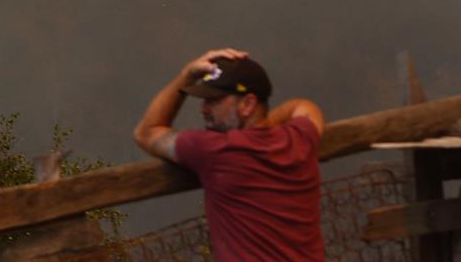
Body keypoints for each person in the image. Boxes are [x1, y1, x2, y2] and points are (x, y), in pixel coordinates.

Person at [133, 47, 326, 261]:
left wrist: (186, 75)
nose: (204, 109)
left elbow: (146, 132)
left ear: (248, 104)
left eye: (214, 100)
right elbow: (303, 105)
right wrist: (265, 128)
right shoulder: (299, 137)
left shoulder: (215, 149)